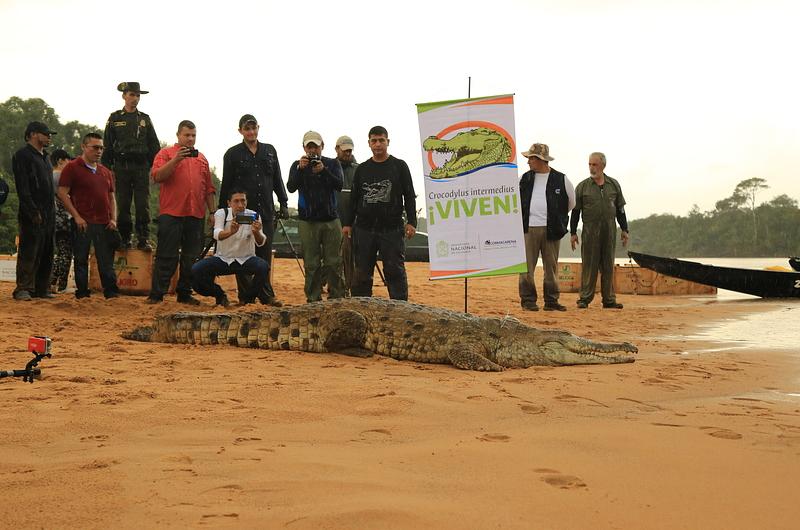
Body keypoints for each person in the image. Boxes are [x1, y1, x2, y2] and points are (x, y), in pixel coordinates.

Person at [220, 114, 288, 306]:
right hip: (242, 212)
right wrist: (221, 211)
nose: (251, 132)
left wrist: (283, 202)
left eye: (253, 128)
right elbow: (226, 184)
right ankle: (245, 297)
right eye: (246, 128)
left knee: (264, 255)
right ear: (240, 130)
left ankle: (266, 295)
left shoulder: (270, 151)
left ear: (258, 127)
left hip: (266, 211)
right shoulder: (232, 154)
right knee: (241, 254)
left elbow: (277, 179)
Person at [342, 126, 417, 300]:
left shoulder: (400, 166)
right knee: (361, 273)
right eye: (374, 141)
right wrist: (347, 223)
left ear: (388, 142)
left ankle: (400, 308)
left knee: (394, 271)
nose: (378, 144)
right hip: (364, 229)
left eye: (381, 140)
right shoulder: (362, 169)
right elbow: (354, 198)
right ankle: (361, 307)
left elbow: (409, 195)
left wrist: (412, 221)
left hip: (391, 229)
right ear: (369, 143)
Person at [147, 120, 216, 305]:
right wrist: (177, 159)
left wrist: (212, 212)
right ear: (178, 135)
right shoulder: (166, 153)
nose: (190, 139)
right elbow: (157, 176)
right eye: (187, 135)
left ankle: (184, 293)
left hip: (196, 214)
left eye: (193, 135)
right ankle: (156, 295)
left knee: (191, 257)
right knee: (166, 255)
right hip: (172, 212)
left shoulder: (201, 158)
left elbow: (208, 188)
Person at [57, 133, 120, 300]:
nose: (99, 151)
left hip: (104, 222)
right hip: (82, 222)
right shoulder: (72, 167)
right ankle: (83, 293)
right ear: (84, 147)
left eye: (101, 148)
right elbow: (62, 193)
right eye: (95, 147)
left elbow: (112, 197)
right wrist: (76, 216)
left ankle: (111, 292)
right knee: (80, 259)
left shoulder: (106, 172)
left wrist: (113, 219)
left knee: (106, 260)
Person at [286, 131, 345, 302]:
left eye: (315, 146)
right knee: (311, 264)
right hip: (307, 221)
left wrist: (324, 171)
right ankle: (313, 299)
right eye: (309, 146)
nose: (312, 150)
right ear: (304, 147)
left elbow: (339, 185)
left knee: (334, 263)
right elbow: (290, 187)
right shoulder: (297, 165)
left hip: (331, 220)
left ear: (322, 146)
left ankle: (337, 298)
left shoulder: (333, 163)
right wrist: (300, 169)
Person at [102, 81, 160, 251]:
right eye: (132, 95)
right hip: (121, 167)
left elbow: (154, 146)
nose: (135, 98)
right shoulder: (115, 118)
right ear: (124, 96)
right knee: (123, 203)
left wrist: (154, 168)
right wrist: (106, 171)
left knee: (143, 205)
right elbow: (107, 146)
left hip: (141, 167)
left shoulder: (144, 119)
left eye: (137, 95)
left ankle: (143, 238)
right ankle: (124, 238)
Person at [517, 143, 575, 312]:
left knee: (551, 268)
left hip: (551, 229)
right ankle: (528, 301)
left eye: (531, 158)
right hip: (528, 228)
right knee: (526, 268)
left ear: (540, 160)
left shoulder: (561, 178)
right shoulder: (524, 179)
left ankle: (551, 301)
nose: (528, 162)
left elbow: (571, 202)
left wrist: (557, 217)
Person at [570, 152, 629, 309]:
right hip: (589, 231)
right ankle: (584, 298)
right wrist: (573, 233)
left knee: (608, 265)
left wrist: (625, 229)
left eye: (594, 164)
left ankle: (609, 300)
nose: (591, 167)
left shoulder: (614, 185)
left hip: (609, 230)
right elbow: (575, 212)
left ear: (603, 165)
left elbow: (620, 210)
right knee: (589, 265)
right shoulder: (582, 187)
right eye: (589, 164)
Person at [191, 189, 269, 307]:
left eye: (243, 201)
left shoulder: (254, 215)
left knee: (263, 267)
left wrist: (257, 232)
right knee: (196, 270)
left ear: (246, 202)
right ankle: (219, 294)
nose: (240, 205)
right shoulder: (221, 213)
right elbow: (216, 234)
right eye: (236, 201)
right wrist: (230, 232)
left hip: (246, 259)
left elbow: (261, 241)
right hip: (223, 259)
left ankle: (248, 300)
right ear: (229, 203)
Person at [11, 122, 57, 301]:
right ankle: (23, 288)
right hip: (32, 210)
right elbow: (23, 187)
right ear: (33, 134)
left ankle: (42, 287)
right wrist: (32, 210)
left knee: (47, 249)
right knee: (30, 249)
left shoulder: (46, 157)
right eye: (45, 134)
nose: (49, 137)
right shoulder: (22, 156)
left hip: (49, 210)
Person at [335, 135, 358, 294]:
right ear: (337, 149)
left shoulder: (359, 168)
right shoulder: (329, 166)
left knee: (351, 258)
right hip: (334, 219)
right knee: (334, 258)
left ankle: (350, 288)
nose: (347, 153)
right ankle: (336, 288)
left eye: (350, 150)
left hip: (354, 222)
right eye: (344, 150)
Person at [50, 149, 74, 293]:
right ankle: (61, 285)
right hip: (64, 217)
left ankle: (52, 282)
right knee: (66, 252)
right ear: (60, 160)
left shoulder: (49, 175)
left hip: (53, 218)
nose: (69, 163)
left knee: (60, 251)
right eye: (67, 160)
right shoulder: (60, 176)